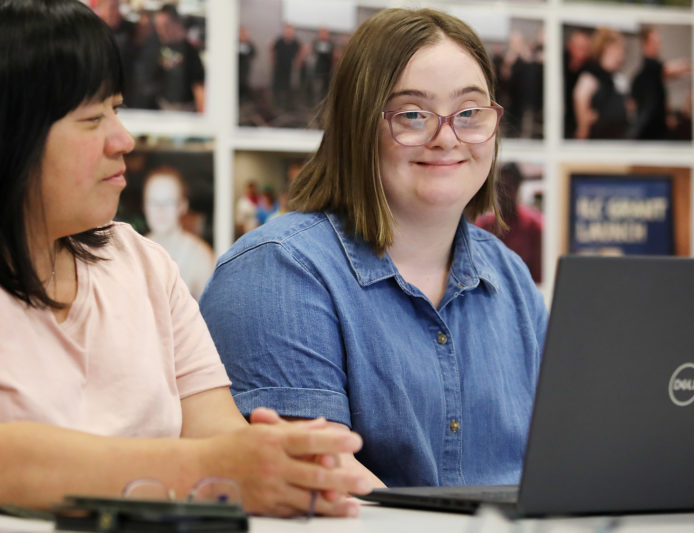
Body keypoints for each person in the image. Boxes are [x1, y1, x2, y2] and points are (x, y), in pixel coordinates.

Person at [0, 0, 370, 516]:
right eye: (91, 119)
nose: (122, 140)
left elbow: (216, 431)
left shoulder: (142, 264)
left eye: (118, 109)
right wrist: (211, 469)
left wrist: (291, 465)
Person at [200, 8, 548, 488]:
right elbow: (319, 483)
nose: (447, 137)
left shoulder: (512, 279)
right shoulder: (277, 271)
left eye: (469, 113)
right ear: (358, 126)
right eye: (411, 114)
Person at [142, 166, 216, 300]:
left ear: (182, 205)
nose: (160, 209)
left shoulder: (201, 257)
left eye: (168, 202)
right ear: (144, 206)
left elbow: (212, 316)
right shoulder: (134, 253)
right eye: (153, 202)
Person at [474, 163, 543, 283]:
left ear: (517, 187)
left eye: (508, 187)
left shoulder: (534, 225)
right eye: (499, 187)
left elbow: (540, 275)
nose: (503, 194)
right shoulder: (482, 226)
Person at [630, 26, 691, 140]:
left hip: (657, 128)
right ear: (645, 44)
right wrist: (692, 65)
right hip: (650, 131)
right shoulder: (650, 69)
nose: (658, 46)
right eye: (655, 42)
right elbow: (672, 69)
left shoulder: (655, 72)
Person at [573, 28, 629, 140]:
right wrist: (584, 124)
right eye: (619, 49)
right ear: (607, 48)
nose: (622, 54)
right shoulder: (590, 76)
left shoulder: (617, 77)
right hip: (597, 142)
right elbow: (580, 99)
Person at [152, 4, 205, 112]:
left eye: (165, 26)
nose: (161, 31)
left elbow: (199, 85)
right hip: (162, 108)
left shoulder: (189, 51)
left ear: (176, 24)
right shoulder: (156, 46)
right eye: (158, 26)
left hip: (185, 110)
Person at [563, 29, 590, 139]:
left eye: (585, 49)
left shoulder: (589, 70)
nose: (582, 53)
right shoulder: (561, 66)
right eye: (579, 48)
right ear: (571, 47)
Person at [271, 24, 301, 111]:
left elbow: (301, 50)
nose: (288, 33)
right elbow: (272, 49)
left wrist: (298, 61)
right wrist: (273, 61)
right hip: (279, 66)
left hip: (289, 68)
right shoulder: (279, 41)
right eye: (287, 31)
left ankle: (287, 105)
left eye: (290, 31)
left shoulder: (295, 42)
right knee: (277, 84)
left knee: (288, 86)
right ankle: (276, 103)